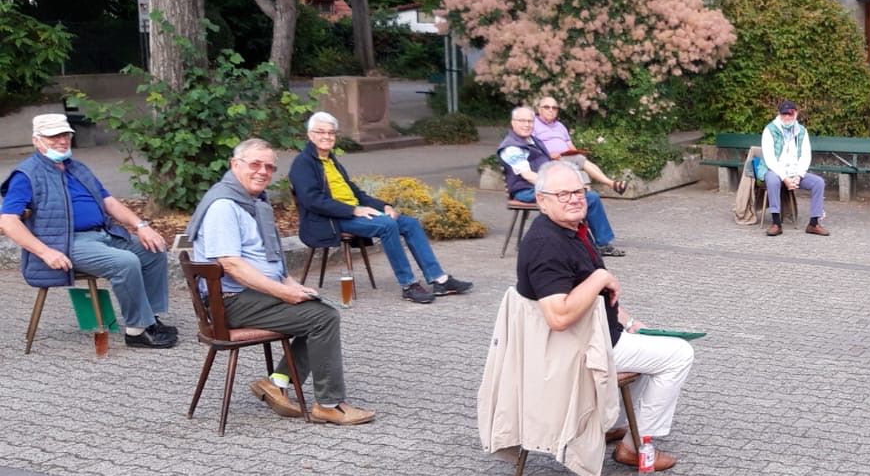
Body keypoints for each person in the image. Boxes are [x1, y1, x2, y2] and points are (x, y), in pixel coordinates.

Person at [518, 159, 693, 468]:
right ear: (542, 201)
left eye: (578, 191)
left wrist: (629, 322)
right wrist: (600, 278)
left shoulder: (572, 230)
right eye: (562, 194)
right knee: (679, 354)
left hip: (595, 336)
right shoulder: (547, 244)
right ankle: (634, 446)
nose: (574, 198)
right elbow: (558, 317)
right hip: (575, 349)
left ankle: (614, 424)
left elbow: (597, 298)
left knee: (652, 347)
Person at [188, 139, 375, 425]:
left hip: (245, 296)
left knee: (315, 309)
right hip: (228, 302)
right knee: (322, 318)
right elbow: (231, 265)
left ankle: (276, 383)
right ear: (234, 165)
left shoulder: (253, 202)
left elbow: (269, 259)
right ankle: (328, 404)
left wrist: (291, 284)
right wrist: (282, 293)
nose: (263, 171)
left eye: (269, 167)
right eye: (255, 164)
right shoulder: (225, 205)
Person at [0, 112, 177, 348]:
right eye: (54, 136)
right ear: (37, 140)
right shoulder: (26, 175)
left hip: (104, 233)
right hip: (67, 243)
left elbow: (109, 202)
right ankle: (137, 331)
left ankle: (150, 319)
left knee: (154, 250)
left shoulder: (77, 167)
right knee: (125, 262)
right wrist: (45, 253)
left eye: (65, 134)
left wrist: (141, 226)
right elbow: (8, 222)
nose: (62, 141)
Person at [288, 112, 473, 305]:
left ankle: (439, 279)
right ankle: (409, 285)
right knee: (386, 225)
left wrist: (384, 206)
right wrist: (353, 211)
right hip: (329, 220)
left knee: (409, 223)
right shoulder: (303, 163)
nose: (327, 136)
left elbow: (357, 194)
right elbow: (313, 200)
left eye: (331, 132)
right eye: (321, 132)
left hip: (349, 212)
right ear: (310, 135)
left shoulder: (330, 160)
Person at [499, 106, 624, 257]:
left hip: (543, 187)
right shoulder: (511, 147)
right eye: (522, 121)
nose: (526, 124)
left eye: (530, 121)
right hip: (526, 191)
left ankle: (587, 242)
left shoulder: (534, 140)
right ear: (513, 123)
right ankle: (591, 243)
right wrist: (560, 186)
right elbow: (528, 176)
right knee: (586, 198)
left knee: (584, 195)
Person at [531, 94, 628, 195]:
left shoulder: (560, 126)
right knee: (579, 160)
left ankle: (586, 199)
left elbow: (570, 144)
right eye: (547, 107)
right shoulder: (533, 124)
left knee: (581, 168)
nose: (551, 110)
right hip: (548, 160)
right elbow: (531, 146)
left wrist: (575, 153)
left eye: (554, 108)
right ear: (539, 109)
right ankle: (611, 184)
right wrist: (548, 154)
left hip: (565, 158)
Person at [762, 99, 828, 237]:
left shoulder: (802, 132)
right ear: (779, 114)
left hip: (794, 172)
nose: (787, 117)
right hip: (775, 170)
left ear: (796, 114)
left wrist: (799, 175)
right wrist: (784, 178)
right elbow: (770, 159)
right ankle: (776, 223)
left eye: (790, 114)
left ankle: (814, 223)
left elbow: (805, 155)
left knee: (818, 182)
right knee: (773, 181)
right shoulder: (769, 130)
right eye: (784, 114)